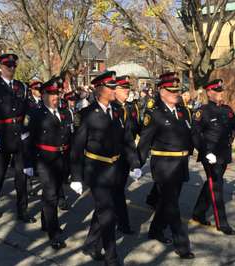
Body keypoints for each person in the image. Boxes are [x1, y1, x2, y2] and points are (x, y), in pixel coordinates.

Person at [70, 71, 141, 265]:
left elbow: (127, 140)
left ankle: (91, 244)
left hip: (115, 168)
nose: (113, 90)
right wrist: (76, 176)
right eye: (111, 87)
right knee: (108, 211)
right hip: (96, 170)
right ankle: (111, 256)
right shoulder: (86, 114)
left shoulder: (117, 111)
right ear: (100, 89)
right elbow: (76, 148)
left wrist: (134, 163)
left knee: (103, 210)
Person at [137, 72, 195, 260]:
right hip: (163, 165)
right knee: (172, 205)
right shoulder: (154, 113)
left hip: (180, 164)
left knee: (166, 202)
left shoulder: (182, 111)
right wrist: (137, 163)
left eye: (177, 91)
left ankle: (155, 230)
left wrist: (205, 149)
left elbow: (191, 135)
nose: (176, 94)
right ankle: (182, 245)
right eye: (171, 91)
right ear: (162, 91)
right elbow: (145, 140)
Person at [0, 53, 36, 223]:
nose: (12, 69)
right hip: (2, 135)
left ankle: (22, 211)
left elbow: (29, 109)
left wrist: (26, 127)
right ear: (1, 68)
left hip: (20, 135)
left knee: (22, 176)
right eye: (8, 66)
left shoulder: (21, 86)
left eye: (14, 66)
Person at [27, 77, 71, 249]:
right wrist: (28, 163)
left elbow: (70, 137)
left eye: (57, 93)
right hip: (44, 160)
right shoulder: (35, 114)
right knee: (51, 196)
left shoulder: (65, 112)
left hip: (62, 160)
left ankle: (46, 221)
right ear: (43, 94)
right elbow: (27, 140)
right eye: (51, 93)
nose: (55, 97)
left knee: (53, 193)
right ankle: (53, 233)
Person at [191, 79, 235, 235]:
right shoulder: (202, 111)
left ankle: (198, 212)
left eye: (221, 91)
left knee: (211, 184)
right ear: (209, 92)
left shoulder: (227, 110)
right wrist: (205, 152)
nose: (220, 94)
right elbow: (195, 134)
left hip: (224, 154)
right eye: (217, 91)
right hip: (210, 155)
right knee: (217, 186)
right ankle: (222, 223)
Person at [111, 75, 141, 235]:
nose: (127, 91)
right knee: (113, 193)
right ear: (115, 90)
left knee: (119, 191)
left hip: (126, 156)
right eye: (124, 88)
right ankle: (118, 223)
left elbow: (136, 129)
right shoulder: (111, 108)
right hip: (112, 158)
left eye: (128, 88)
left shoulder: (131, 107)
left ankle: (121, 222)